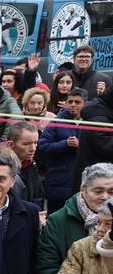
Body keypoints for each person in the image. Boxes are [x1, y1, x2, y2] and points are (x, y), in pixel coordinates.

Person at [38, 86, 83, 214]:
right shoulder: (56, 122)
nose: (73, 105)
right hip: (59, 180)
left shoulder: (92, 122)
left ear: (85, 103)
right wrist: (65, 143)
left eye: (77, 102)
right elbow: (43, 146)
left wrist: (81, 146)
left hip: (81, 182)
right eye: (70, 102)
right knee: (55, 218)